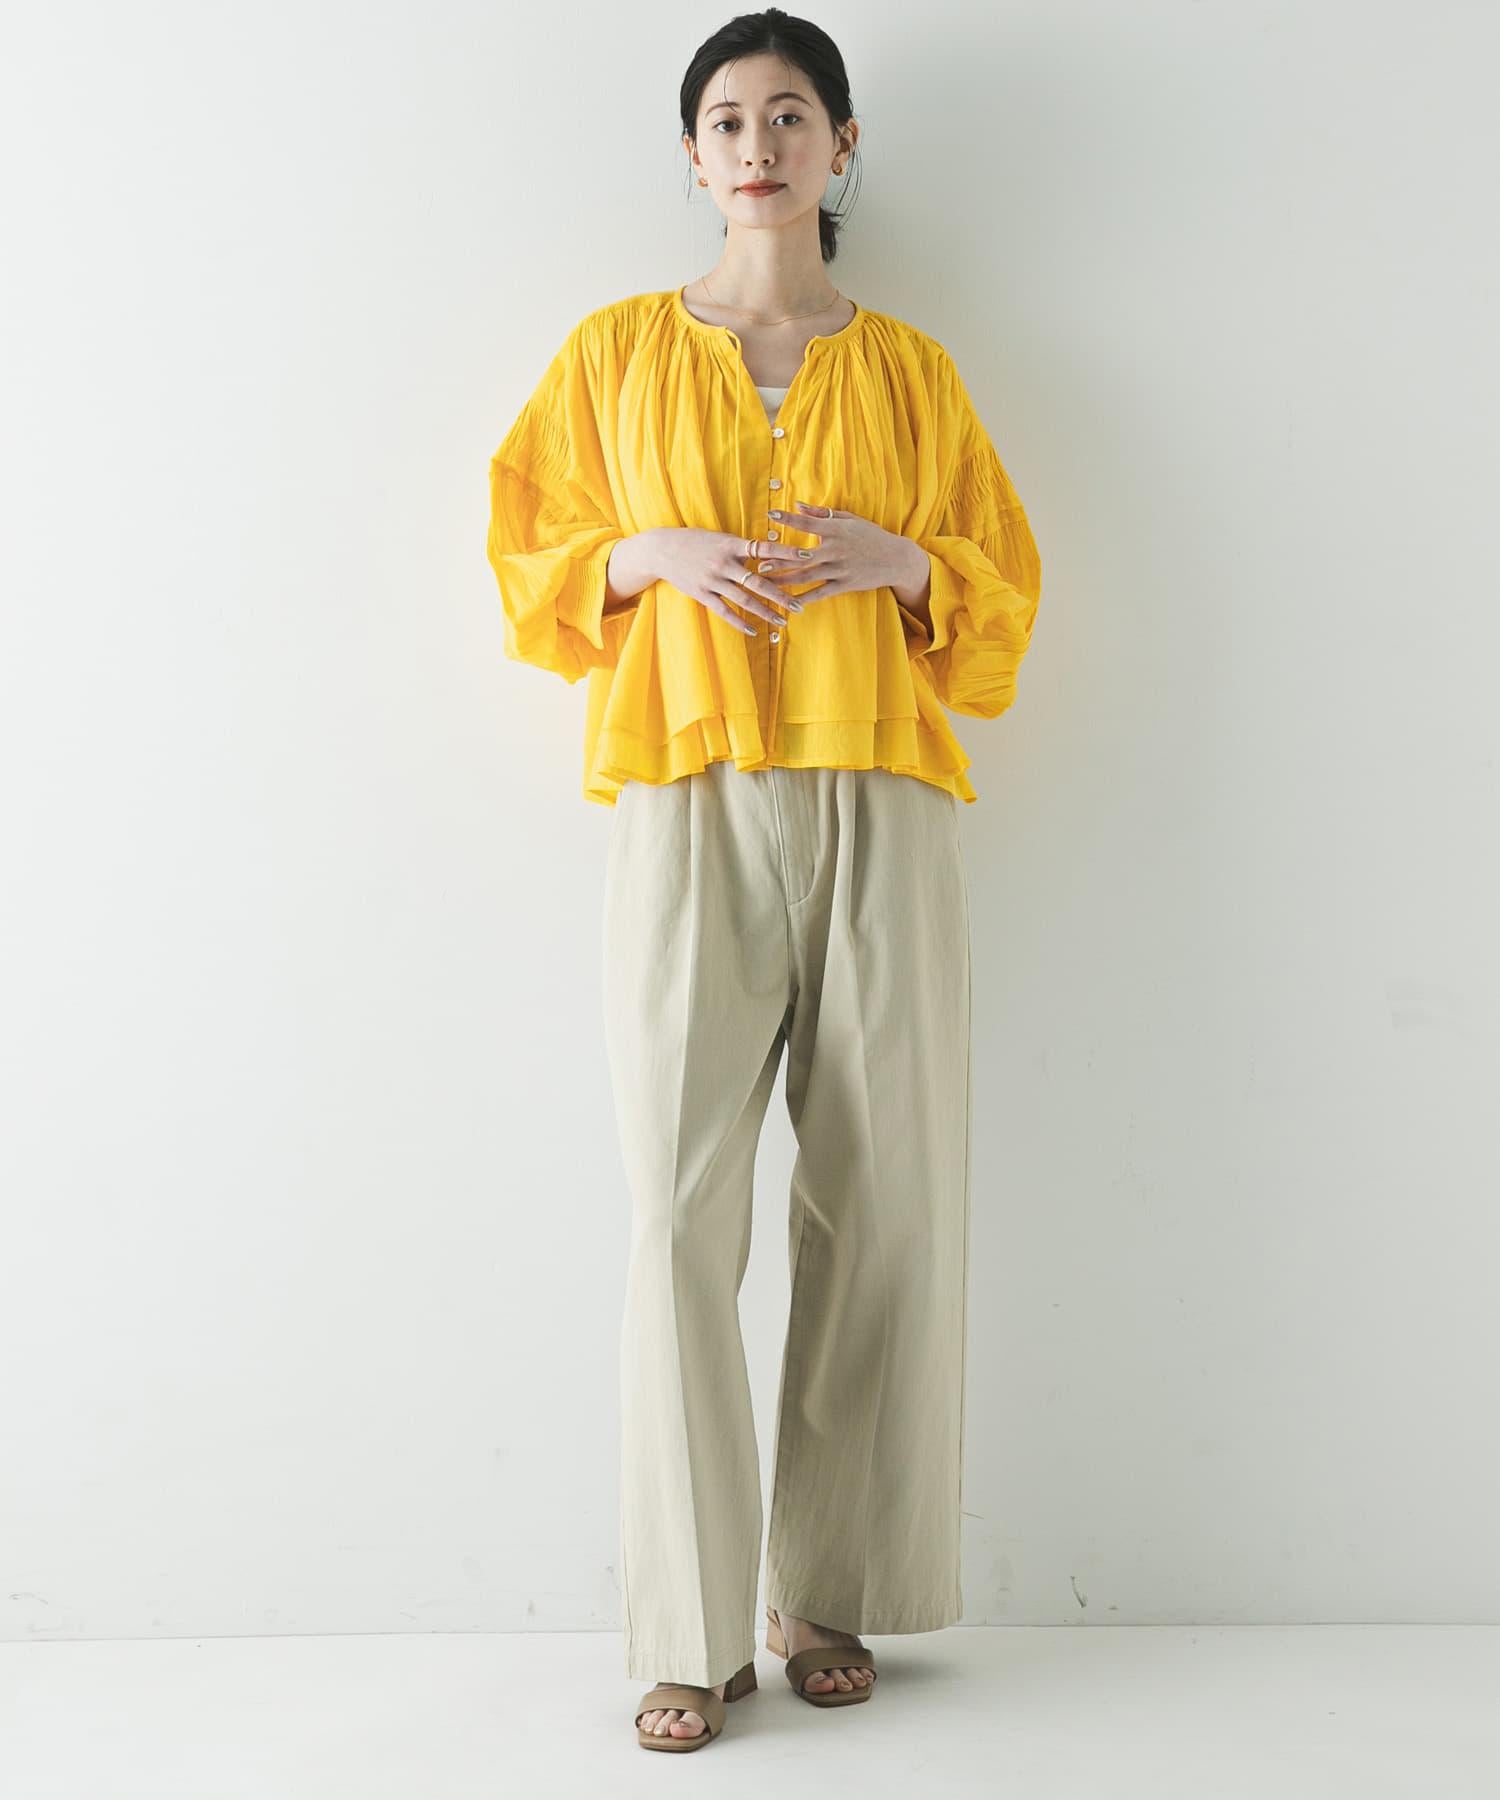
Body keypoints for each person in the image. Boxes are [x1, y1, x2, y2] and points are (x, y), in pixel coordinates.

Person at [485, 7, 1042, 1755]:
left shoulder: (916, 372)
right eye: (727, 118)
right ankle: (686, 1623)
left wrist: (907, 564)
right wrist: (643, 550)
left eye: (791, 115)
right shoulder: (615, 354)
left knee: (885, 1198)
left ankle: (826, 1591)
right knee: (677, 1205)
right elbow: (526, 562)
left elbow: (1001, 602)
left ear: (841, 147)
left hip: (885, 789)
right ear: (692, 153)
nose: (757, 143)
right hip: (690, 791)